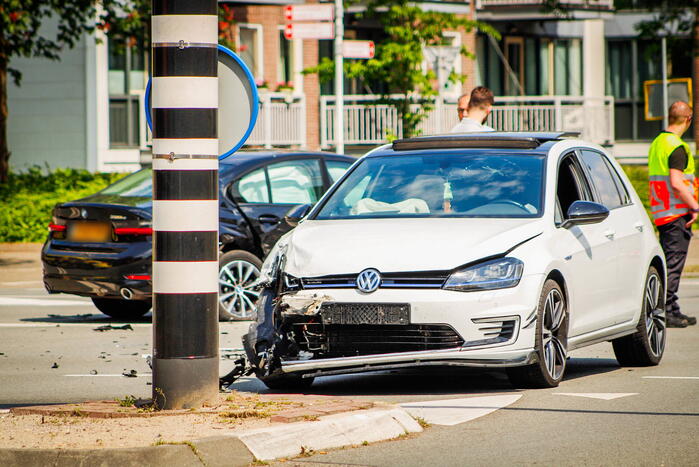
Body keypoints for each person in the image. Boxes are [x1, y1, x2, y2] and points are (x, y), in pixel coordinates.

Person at [648, 100, 698, 327]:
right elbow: (677, 183)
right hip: (676, 213)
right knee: (673, 264)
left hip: (662, 212)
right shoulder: (677, 147)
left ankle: (672, 308)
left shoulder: (658, 143)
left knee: (670, 262)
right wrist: (695, 206)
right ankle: (665, 310)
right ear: (688, 119)